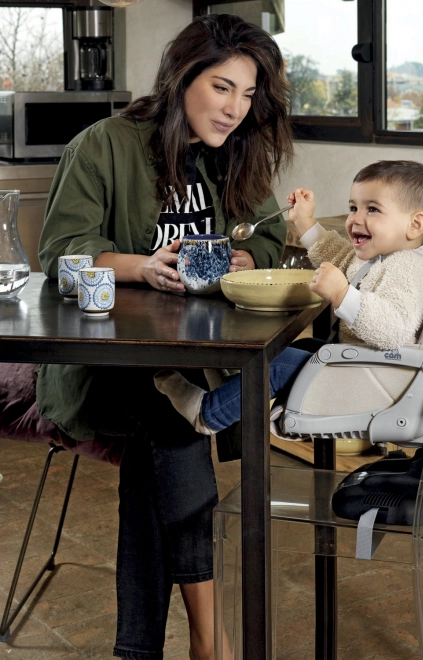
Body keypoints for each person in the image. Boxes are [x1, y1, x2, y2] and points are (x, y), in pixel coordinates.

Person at [36, 14, 293, 660]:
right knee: (172, 422)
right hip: (101, 371)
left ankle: (140, 650)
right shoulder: (103, 146)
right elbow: (61, 255)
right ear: (183, 79)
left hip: (193, 368)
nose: (236, 108)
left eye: (247, 93)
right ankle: (213, 641)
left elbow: (267, 235)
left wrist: (248, 261)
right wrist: (138, 266)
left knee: (165, 433)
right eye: (221, 87)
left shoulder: (237, 156)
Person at [155, 160, 423, 436]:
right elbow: (339, 255)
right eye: (353, 207)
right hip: (367, 369)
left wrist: (343, 295)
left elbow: (393, 330)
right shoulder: (388, 257)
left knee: (280, 365)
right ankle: (235, 393)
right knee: (294, 350)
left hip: (377, 381)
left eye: (372, 209)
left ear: (415, 224)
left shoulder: (410, 267)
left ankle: (207, 414)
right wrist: (305, 222)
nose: (355, 219)